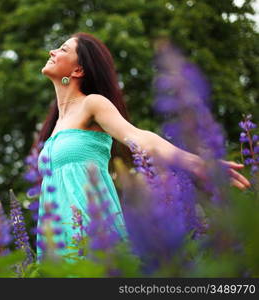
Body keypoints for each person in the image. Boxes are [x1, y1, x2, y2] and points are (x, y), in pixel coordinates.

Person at [34, 32, 250, 260]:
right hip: (55, 241)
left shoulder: (92, 104)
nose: (52, 52)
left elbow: (138, 137)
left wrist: (197, 163)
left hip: (93, 234)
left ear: (78, 70)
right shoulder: (55, 127)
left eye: (63, 49)